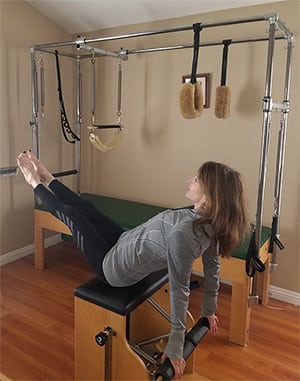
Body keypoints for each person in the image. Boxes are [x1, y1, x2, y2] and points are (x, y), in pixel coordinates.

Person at [17, 151, 249, 379]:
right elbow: (213, 270)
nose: (190, 179)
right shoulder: (204, 221)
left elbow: (180, 290)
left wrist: (176, 346)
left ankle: (35, 183)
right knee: (86, 208)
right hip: (122, 242)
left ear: (209, 197)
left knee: (72, 215)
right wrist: (209, 310)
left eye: (197, 179)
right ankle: (49, 178)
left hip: (113, 267)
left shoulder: (186, 234)